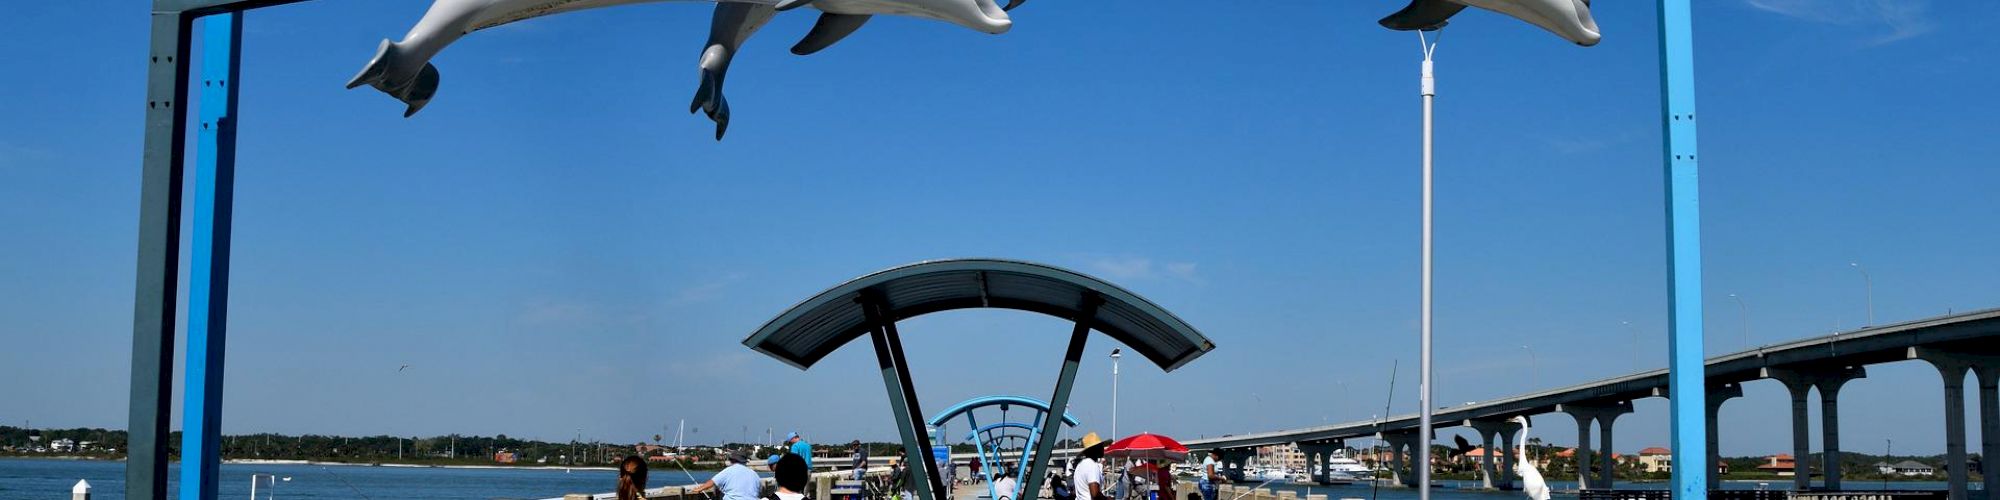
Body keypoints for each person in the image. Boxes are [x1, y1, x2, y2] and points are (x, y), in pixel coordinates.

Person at [688, 450, 764, 500]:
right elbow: (759, 491)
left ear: (733, 460)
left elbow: (712, 482)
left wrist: (699, 489)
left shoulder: (729, 470)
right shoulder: (754, 474)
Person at [1073, 434, 1108, 500]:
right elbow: (1095, 494)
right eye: (1100, 446)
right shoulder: (1092, 465)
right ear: (1094, 449)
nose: (1103, 448)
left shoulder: (1079, 465)